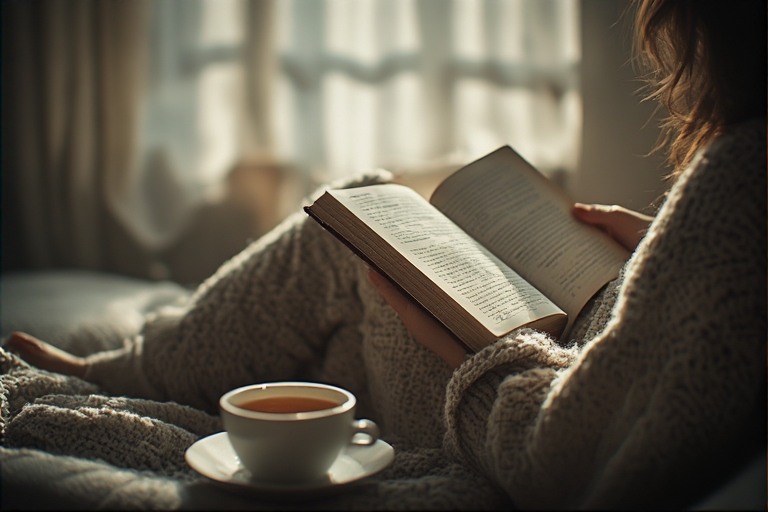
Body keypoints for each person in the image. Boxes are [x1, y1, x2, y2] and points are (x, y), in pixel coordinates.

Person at [4, 0, 766, 508]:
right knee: (351, 320)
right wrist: (649, 263)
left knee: (360, 218)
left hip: (524, 380)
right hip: (572, 342)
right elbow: (683, 350)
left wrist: (492, 352)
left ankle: (130, 371)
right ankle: (178, 370)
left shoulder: (745, 175)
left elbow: (570, 458)